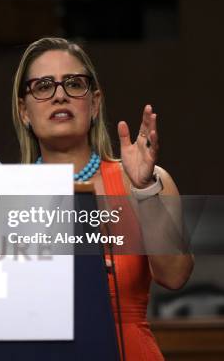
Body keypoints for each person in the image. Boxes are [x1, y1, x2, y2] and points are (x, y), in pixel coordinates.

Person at [11, 37, 194, 360]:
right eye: (42, 86)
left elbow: (174, 275)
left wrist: (144, 190)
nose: (60, 95)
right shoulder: (6, 194)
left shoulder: (144, 181)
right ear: (24, 110)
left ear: (94, 104)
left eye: (73, 83)